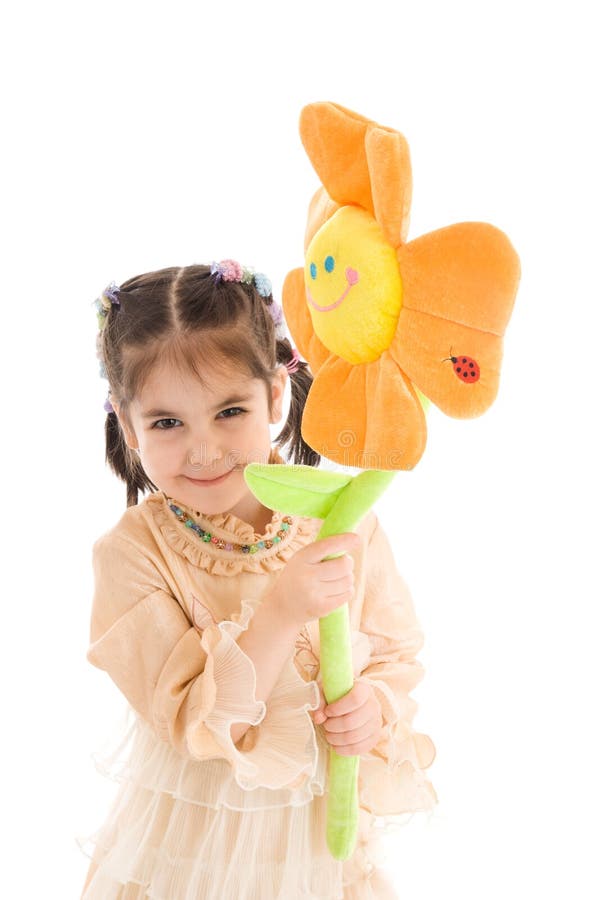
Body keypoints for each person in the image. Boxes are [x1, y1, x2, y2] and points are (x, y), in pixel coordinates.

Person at [80, 260, 437, 899]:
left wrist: (371, 710)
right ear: (127, 424)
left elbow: (392, 652)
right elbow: (196, 723)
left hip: (311, 855)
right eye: (166, 422)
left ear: (276, 393)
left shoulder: (343, 520)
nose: (204, 449)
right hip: (194, 857)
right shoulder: (133, 555)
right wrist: (280, 611)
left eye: (230, 411)